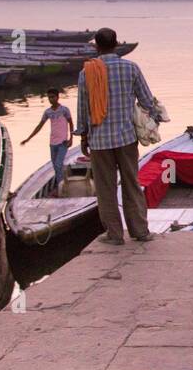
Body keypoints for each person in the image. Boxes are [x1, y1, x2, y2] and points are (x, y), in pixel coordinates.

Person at [77, 27, 162, 245]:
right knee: (131, 183)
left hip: (99, 140)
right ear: (116, 45)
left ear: (97, 46)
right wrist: (153, 120)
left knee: (105, 189)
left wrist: (84, 137)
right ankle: (140, 231)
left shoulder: (87, 72)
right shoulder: (131, 68)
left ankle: (114, 235)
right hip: (126, 138)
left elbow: (83, 109)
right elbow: (147, 100)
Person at [21, 88, 75, 190]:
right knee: (55, 166)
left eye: (53, 97)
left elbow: (71, 123)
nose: (51, 99)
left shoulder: (64, 110)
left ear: (58, 97)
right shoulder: (48, 112)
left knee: (58, 164)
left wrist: (71, 138)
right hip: (52, 143)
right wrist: (28, 139)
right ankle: (62, 184)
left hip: (63, 142)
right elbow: (39, 126)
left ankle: (61, 188)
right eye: (49, 97)